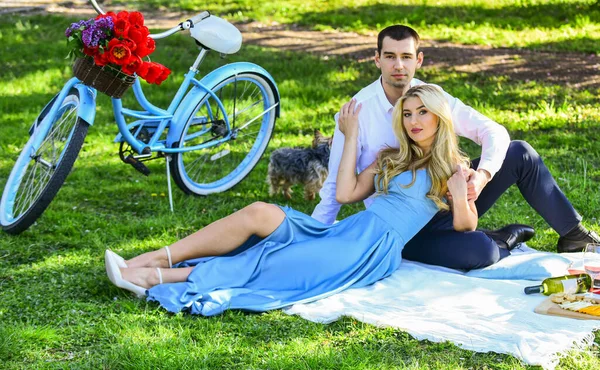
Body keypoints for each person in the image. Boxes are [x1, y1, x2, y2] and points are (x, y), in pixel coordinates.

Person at [106, 85, 471, 315]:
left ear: (439, 116)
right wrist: (351, 134)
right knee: (260, 212)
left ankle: (154, 277)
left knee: (277, 259)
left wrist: (458, 194)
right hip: (346, 232)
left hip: (370, 251)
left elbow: (465, 225)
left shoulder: (451, 167)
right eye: (407, 113)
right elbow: (345, 194)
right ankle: (159, 256)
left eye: (422, 112)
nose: (413, 120)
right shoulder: (390, 156)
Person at [312, 25, 599, 270]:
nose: (398, 66)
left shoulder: (431, 97)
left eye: (406, 57)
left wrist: (482, 176)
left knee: (519, 152)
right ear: (377, 59)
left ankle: (574, 235)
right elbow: (337, 185)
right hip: (406, 224)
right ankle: (502, 238)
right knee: (479, 250)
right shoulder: (357, 111)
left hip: (447, 196)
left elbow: (492, 131)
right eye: (390, 57)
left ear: (419, 60)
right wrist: (318, 238)